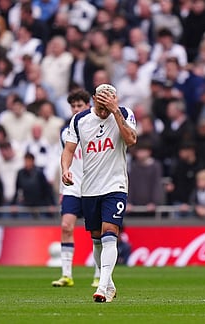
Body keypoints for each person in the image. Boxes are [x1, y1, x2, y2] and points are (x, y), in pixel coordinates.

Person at [61, 84, 137, 303]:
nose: (103, 111)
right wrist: (65, 170)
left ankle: (102, 287)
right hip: (90, 187)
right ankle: (109, 283)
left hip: (115, 186)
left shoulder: (123, 114)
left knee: (110, 232)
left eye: (107, 105)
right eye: (100, 106)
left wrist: (114, 112)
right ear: (93, 99)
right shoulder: (79, 120)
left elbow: (131, 140)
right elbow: (68, 150)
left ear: (114, 100)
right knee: (96, 239)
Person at [52, 89, 100, 288]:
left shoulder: (98, 127)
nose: (76, 109)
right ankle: (67, 275)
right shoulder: (67, 131)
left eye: (80, 106)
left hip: (95, 186)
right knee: (66, 226)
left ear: (88, 106)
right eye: (73, 106)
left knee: (97, 234)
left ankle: (99, 275)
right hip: (72, 186)